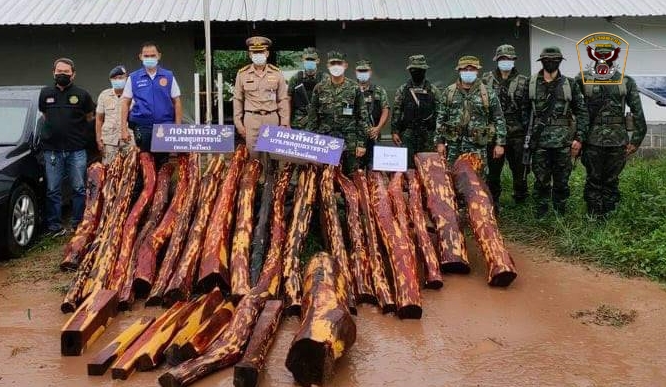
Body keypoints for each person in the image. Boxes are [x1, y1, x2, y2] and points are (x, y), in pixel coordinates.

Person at [575, 47, 647, 218]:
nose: (603, 59)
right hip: (591, 139)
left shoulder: (625, 81)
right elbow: (575, 110)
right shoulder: (582, 79)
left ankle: (609, 215)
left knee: (611, 180)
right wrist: (577, 138)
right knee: (593, 178)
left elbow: (638, 113)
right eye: (599, 55)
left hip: (617, 141)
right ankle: (593, 215)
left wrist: (635, 141)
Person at [527, 47, 589, 218]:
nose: (551, 62)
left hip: (564, 142)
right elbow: (525, 113)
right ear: (542, 61)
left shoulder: (570, 84)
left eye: (555, 60)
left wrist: (579, 138)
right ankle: (541, 213)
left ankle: (559, 212)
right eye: (547, 59)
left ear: (560, 62)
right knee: (541, 180)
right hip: (539, 142)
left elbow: (582, 111)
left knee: (562, 181)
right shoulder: (531, 84)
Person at [38, 58, 95, 236]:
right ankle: (54, 226)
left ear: (73, 74)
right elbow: (45, 115)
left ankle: (77, 223)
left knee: (78, 188)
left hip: (76, 150)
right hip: (52, 151)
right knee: (53, 189)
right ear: (53, 72)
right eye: (59, 71)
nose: (62, 74)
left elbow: (89, 118)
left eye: (66, 72)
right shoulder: (45, 93)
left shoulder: (82, 94)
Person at [435, 56, 506, 174]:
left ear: (477, 71)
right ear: (459, 71)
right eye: (465, 69)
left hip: (477, 148)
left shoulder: (487, 93)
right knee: (453, 179)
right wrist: (439, 142)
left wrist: (500, 143)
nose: (468, 72)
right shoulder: (449, 92)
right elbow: (441, 118)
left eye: (471, 69)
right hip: (454, 147)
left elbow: (499, 119)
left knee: (477, 182)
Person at [482, 44, 530, 212]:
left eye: (509, 59)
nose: (506, 61)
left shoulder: (524, 81)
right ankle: (493, 203)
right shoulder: (486, 79)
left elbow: (528, 109)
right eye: (502, 59)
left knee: (520, 171)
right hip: (494, 134)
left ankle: (521, 203)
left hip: (517, 134)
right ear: (497, 60)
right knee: (493, 172)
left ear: (514, 60)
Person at [307, 51, 369, 176]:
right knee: (325, 178)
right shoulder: (319, 88)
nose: (336, 66)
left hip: (349, 141)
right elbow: (313, 117)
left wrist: (361, 144)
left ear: (345, 65)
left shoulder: (354, 88)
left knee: (351, 177)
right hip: (325, 140)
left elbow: (362, 117)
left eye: (339, 63)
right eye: (332, 63)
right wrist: (310, 144)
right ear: (328, 66)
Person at [120, 41, 182, 165]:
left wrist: (177, 128)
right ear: (141, 57)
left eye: (152, 55)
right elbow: (125, 103)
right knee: (144, 162)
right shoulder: (133, 77)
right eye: (146, 56)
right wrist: (123, 129)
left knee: (163, 163)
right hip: (142, 128)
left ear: (159, 56)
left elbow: (177, 101)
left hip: (164, 127)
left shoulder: (168, 76)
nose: (149, 58)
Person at [234, 36, 290, 168]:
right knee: (253, 156)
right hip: (251, 119)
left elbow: (283, 99)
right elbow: (237, 100)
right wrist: (238, 123)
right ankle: (255, 184)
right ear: (250, 54)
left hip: (272, 118)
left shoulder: (277, 73)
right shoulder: (242, 74)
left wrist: (285, 123)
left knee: (273, 155)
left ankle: (272, 184)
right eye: (255, 52)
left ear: (267, 53)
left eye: (261, 52)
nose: (258, 55)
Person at [392, 54, 441, 168]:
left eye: (420, 70)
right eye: (414, 70)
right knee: (408, 167)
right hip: (408, 133)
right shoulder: (403, 89)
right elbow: (397, 111)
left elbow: (440, 114)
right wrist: (395, 131)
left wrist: (439, 138)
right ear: (409, 70)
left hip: (428, 134)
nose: (417, 72)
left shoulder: (433, 90)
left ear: (425, 70)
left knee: (428, 167)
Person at [96, 65, 134, 164]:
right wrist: (98, 139)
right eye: (115, 78)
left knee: (129, 170)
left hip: (129, 139)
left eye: (121, 78)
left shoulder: (134, 95)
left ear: (126, 78)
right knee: (109, 171)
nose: (118, 80)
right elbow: (99, 119)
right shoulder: (104, 95)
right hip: (109, 141)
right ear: (110, 80)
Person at [355, 59, 390, 169]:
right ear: (356, 72)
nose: (362, 73)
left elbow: (385, 109)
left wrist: (378, 128)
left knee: (373, 169)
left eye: (365, 70)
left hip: (373, 136)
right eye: (360, 71)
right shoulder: (351, 90)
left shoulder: (379, 91)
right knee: (356, 170)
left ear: (370, 72)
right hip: (355, 138)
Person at [288, 47, 326, 129]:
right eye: (307, 59)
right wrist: (286, 122)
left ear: (318, 61)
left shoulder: (324, 78)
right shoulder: (296, 78)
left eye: (312, 60)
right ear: (303, 60)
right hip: (299, 122)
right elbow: (288, 100)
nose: (310, 62)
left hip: (319, 122)